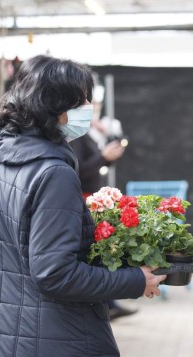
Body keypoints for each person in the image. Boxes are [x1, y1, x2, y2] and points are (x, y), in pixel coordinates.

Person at [0, 55, 165, 357]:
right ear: (56, 108)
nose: (88, 108)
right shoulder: (52, 173)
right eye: (82, 100)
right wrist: (135, 279)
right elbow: (54, 273)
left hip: (1, 353)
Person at [70, 86, 137, 320]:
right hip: (84, 197)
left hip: (91, 197)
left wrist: (106, 157)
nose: (91, 108)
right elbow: (79, 169)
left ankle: (109, 302)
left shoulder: (87, 134)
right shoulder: (75, 138)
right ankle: (107, 303)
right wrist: (103, 157)